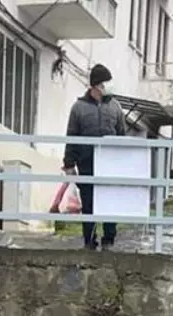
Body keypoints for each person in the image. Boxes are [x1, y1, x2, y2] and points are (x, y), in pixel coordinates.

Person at [61, 64, 127, 251]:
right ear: (97, 85)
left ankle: (109, 240)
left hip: (110, 164)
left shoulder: (115, 107)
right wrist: (69, 164)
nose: (110, 86)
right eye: (106, 82)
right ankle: (89, 241)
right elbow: (71, 136)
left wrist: (122, 163)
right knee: (88, 202)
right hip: (87, 163)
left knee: (110, 202)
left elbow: (122, 136)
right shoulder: (78, 108)